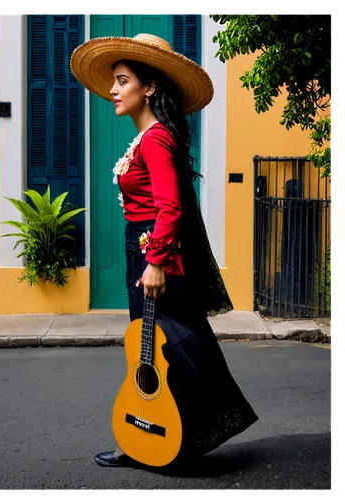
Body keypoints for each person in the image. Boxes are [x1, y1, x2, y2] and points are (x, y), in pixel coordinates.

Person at [70, 33, 258, 468]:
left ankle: (163, 435)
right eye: (113, 82)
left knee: (167, 347)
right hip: (144, 248)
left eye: (122, 81)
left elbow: (170, 207)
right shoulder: (147, 138)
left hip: (157, 254)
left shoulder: (155, 139)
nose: (112, 91)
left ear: (149, 87)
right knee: (155, 345)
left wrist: (154, 262)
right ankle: (157, 438)